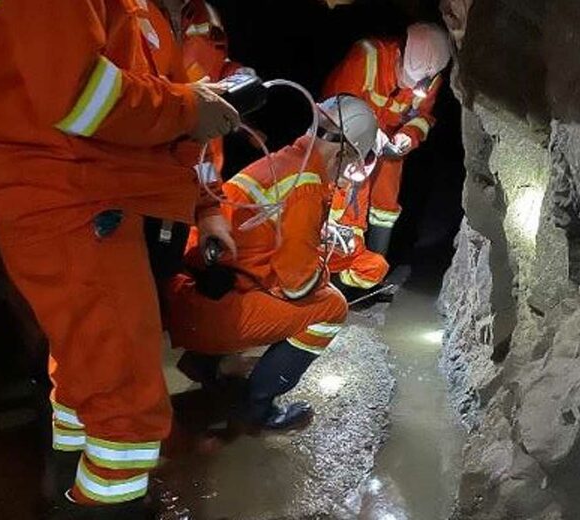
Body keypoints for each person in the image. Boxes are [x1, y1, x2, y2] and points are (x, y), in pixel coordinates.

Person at [0, 1, 241, 517]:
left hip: (107, 203)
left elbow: (165, 125)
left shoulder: (147, 10)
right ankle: (106, 500)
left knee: (92, 379)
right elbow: (82, 96)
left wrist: (207, 206)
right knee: (127, 404)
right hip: (69, 203)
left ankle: (74, 483)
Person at [165, 95, 379, 430]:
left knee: (262, 278)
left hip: (191, 288)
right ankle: (258, 407)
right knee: (331, 309)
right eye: (352, 157)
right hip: (206, 309)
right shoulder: (306, 185)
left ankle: (203, 364)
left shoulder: (284, 161)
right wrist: (322, 263)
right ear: (345, 150)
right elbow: (298, 285)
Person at [323, 22, 451, 267]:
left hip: (388, 144)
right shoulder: (368, 57)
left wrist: (407, 136)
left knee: (386, 197)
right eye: (405, 76)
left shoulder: (431, 79)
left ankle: (373, 268)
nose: (407, 86)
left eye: (415, 84)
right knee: (349, 196)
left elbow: (423, 118)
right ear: (399, 52)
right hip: (347, 142)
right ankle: (340, 268)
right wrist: (370, 135)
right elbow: (337, 108)